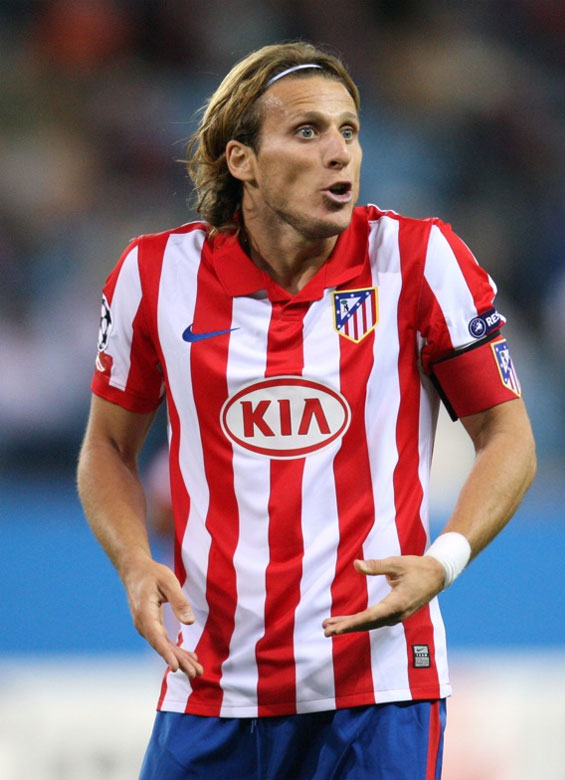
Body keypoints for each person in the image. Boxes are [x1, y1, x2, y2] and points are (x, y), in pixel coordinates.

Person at [77, 41, 536, 780]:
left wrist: (442, 561)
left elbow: (508, 434)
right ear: (242, 161)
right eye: (306, 131)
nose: (338, 152)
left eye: (349, 131)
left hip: (380, 689)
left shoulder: (419, 259)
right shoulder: (155, 276)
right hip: (211, 684)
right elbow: (106, 446)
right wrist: (134, 562)